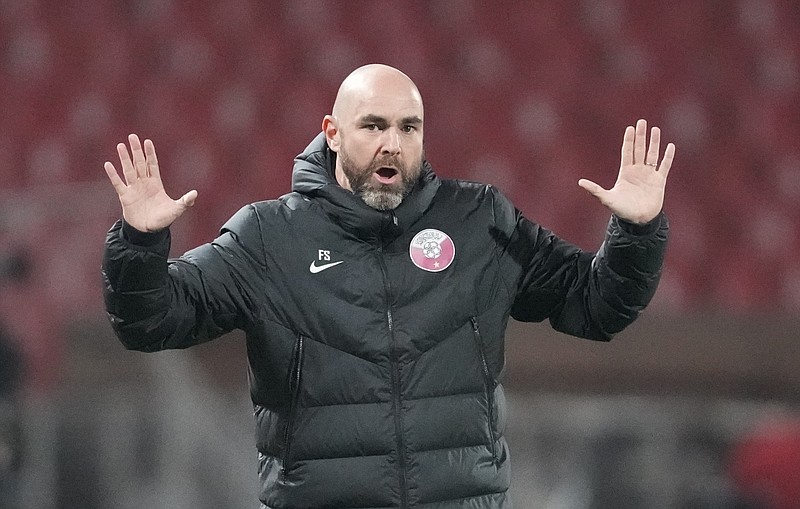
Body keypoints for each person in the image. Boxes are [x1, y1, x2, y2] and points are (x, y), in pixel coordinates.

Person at [102, 64, 674, 508]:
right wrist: (140, 243)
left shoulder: (481, 222)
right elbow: (150, 321)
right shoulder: (269, 238)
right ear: (332, 133)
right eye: (373, 126)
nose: (392, 144)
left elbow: (597, 306)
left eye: (408, 127)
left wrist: (638, 230)